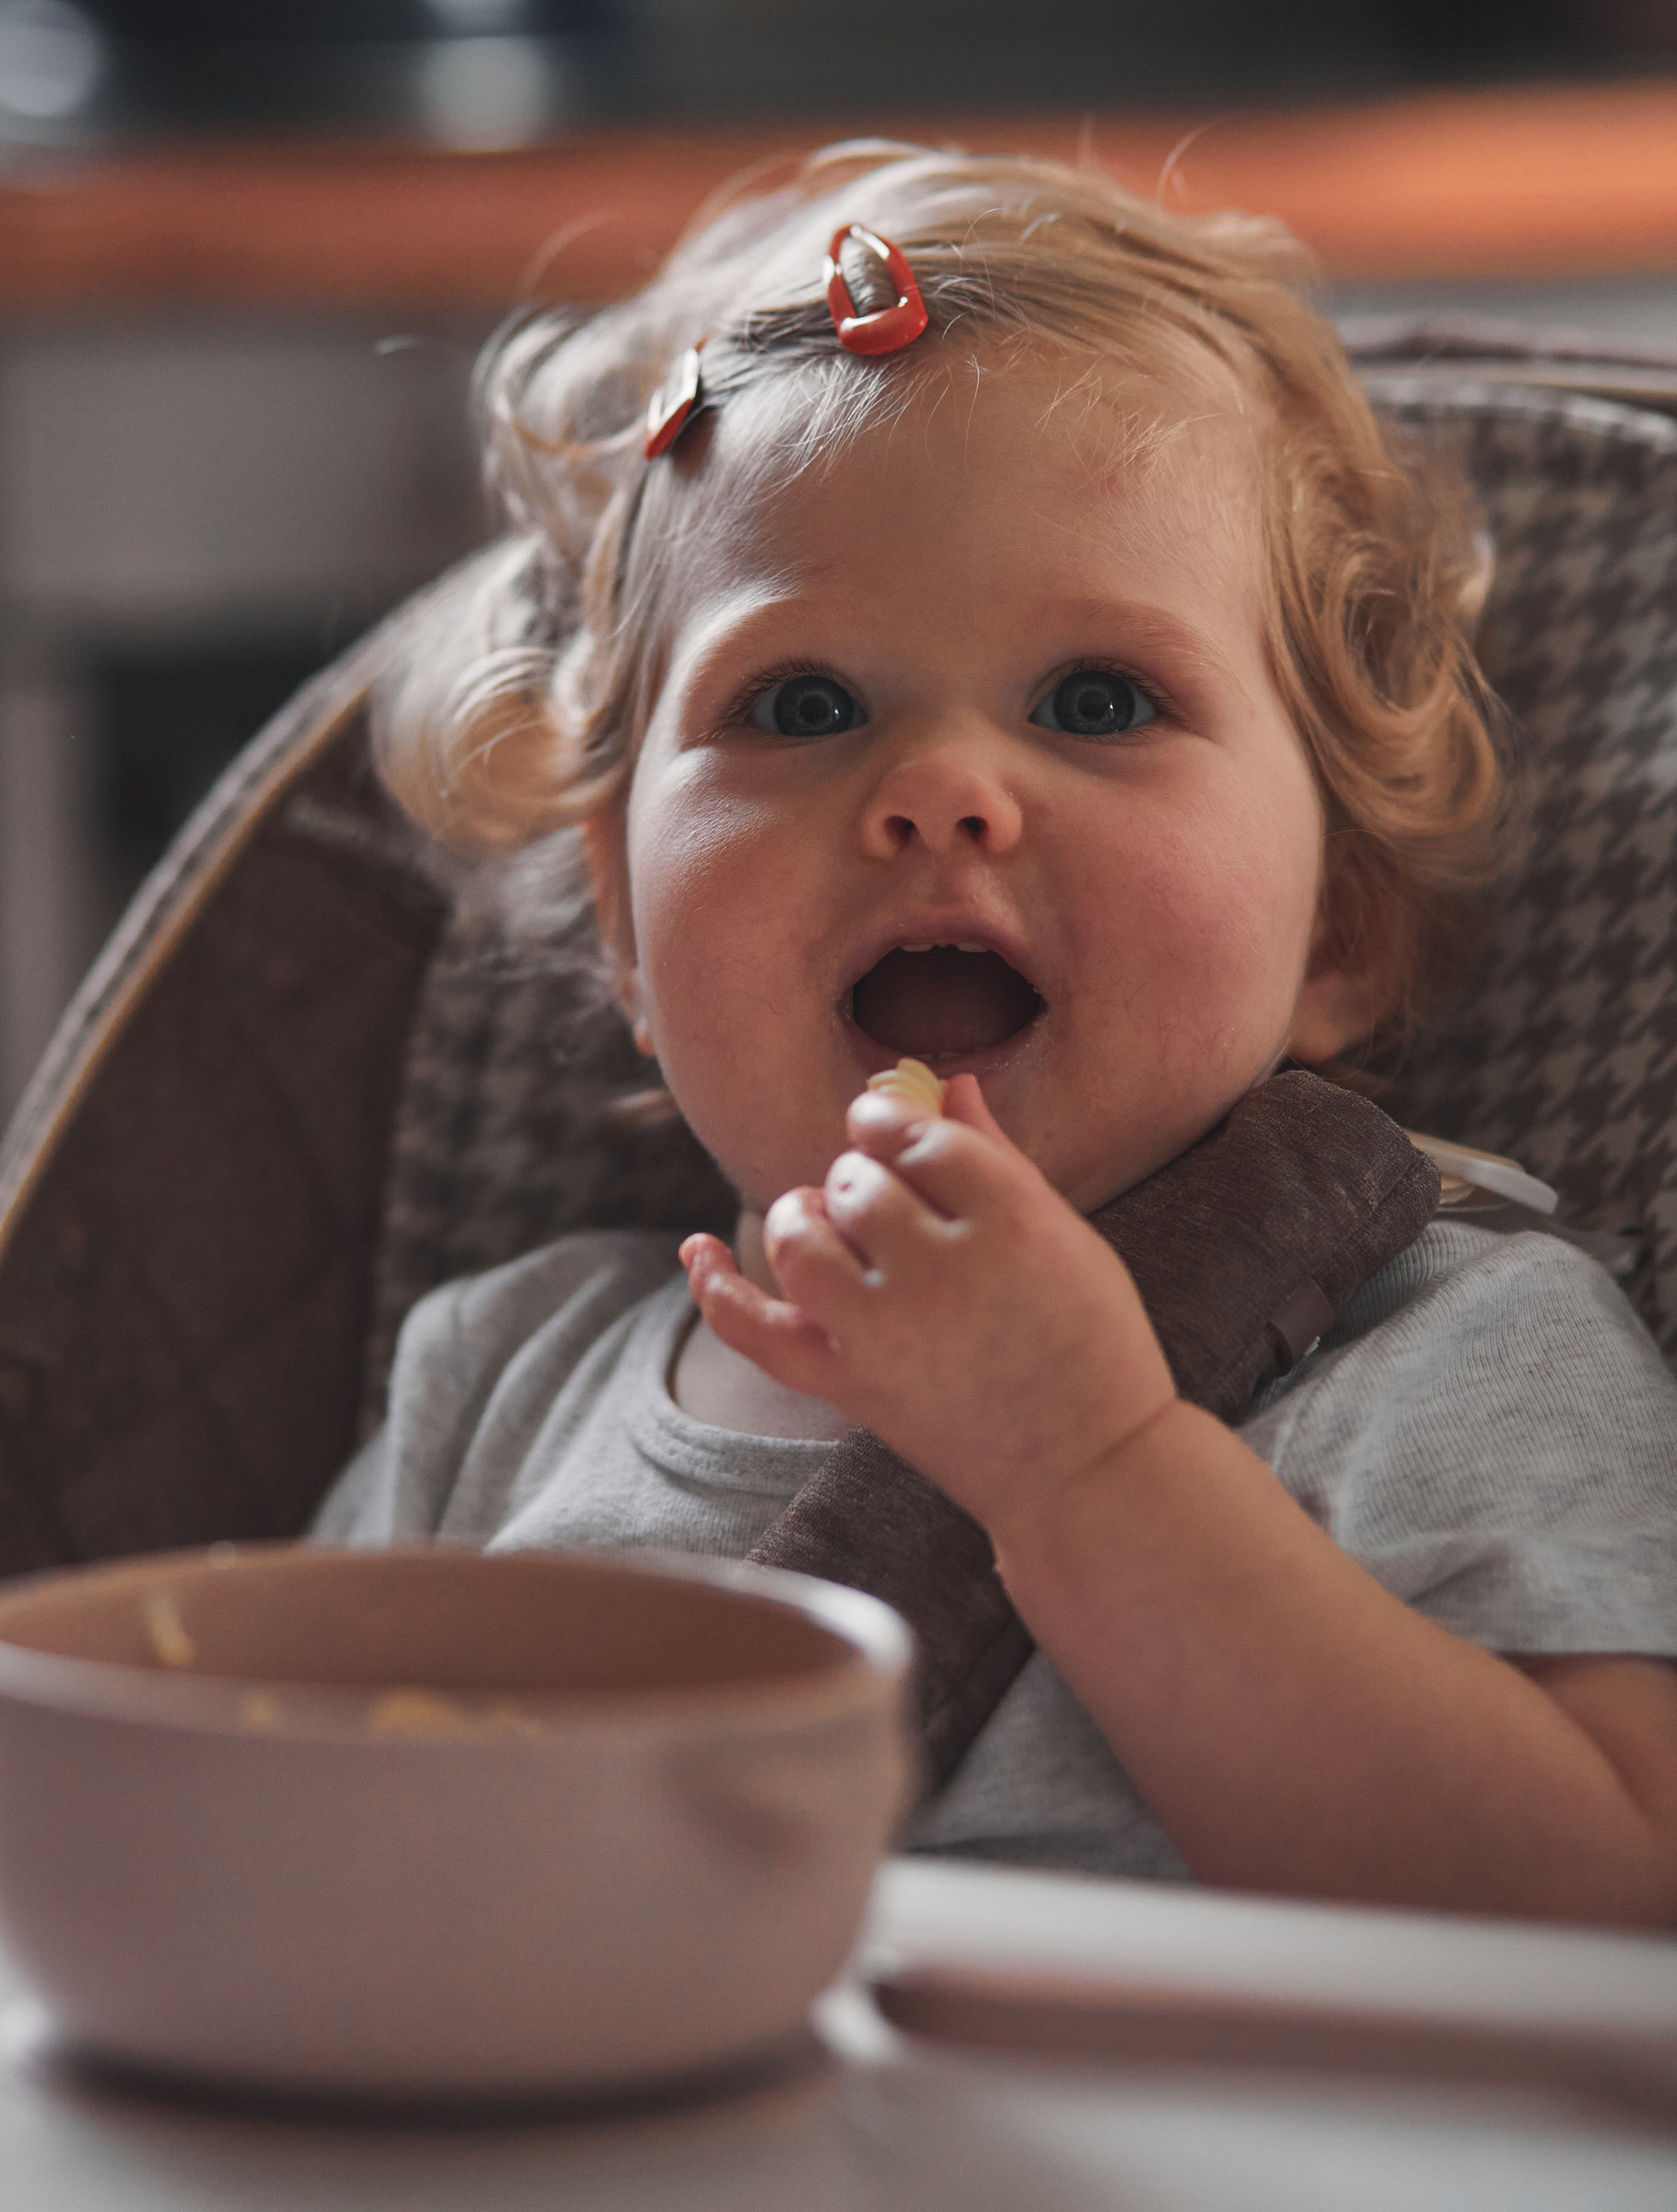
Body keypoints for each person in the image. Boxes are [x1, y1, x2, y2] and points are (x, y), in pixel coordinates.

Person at [316, 141, 1677, 1925]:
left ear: (1335, 923)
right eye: (801, 703)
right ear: (628, 924)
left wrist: (1084, 1467)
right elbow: (289, 1872)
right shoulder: (492, 1385)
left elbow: (1606, 1921)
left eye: (1095, 700)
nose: (940, 789)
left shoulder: (1439, 1356)